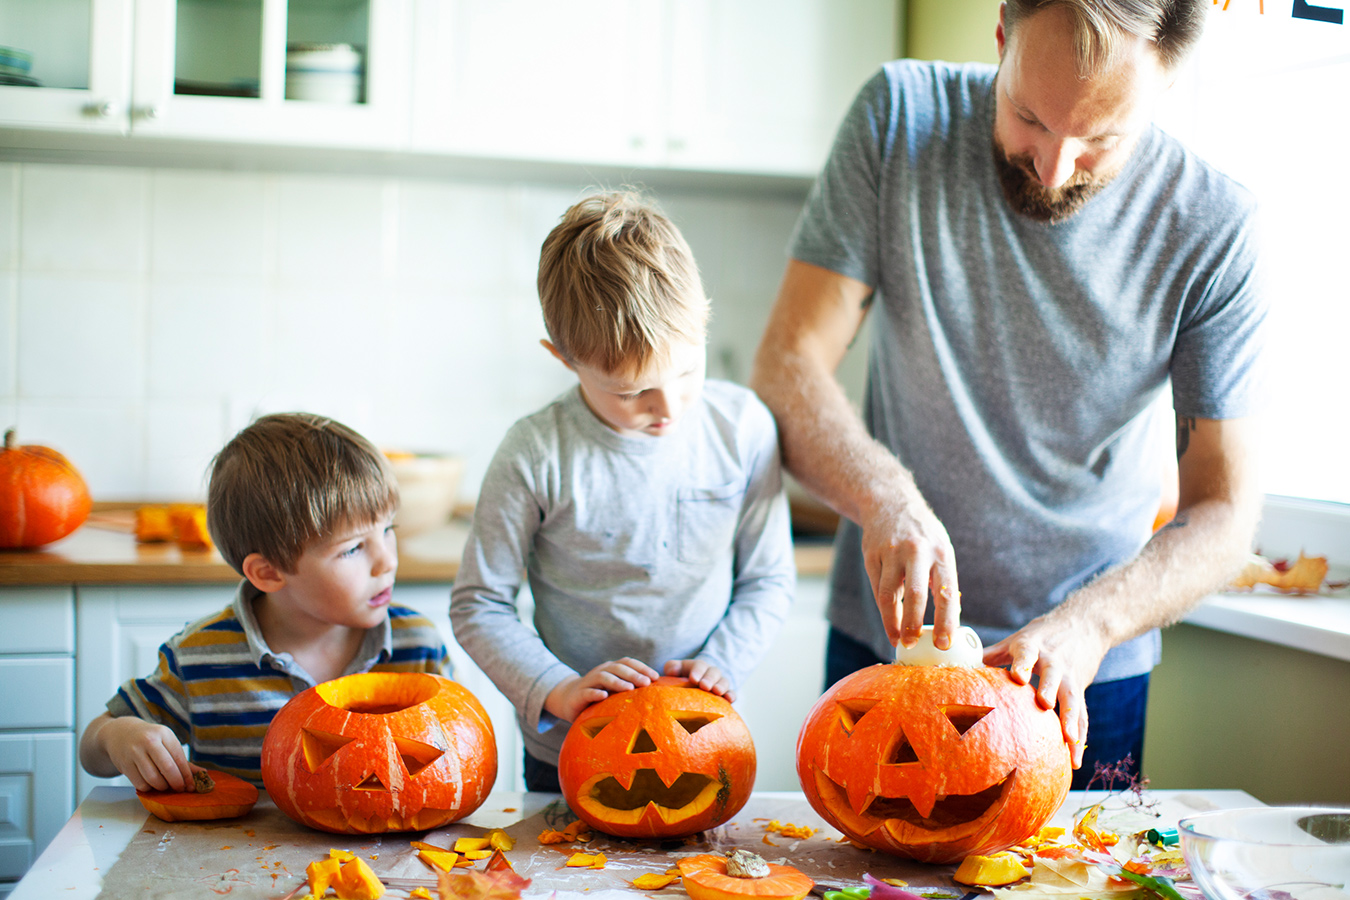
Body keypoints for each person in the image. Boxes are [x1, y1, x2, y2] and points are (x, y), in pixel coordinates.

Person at [750, 0, 1266, 789]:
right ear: (1001, 35)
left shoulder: (1215, 228)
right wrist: (885, 496)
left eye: (1100, 139)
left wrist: (1089, 626)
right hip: (888, 649)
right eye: (1029, 116)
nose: (1054, 168)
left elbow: (1225, 512)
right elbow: (788, 364)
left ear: (1164, 87)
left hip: (1085, 674)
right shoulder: (900, 119)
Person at [451, 191, 795, 793]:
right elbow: (478, 603)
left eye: (687, 372)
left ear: (703, 320)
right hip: (566, 748)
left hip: (700, 737)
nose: (667, 408)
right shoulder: (535, 453)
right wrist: (555, 689)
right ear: (563, 359)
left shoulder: (743, 429)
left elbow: (768, 579)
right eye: (632, 393)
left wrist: (726, 661)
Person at [79, 413, 450, 790]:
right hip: (234, 849)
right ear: (269, 573)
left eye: (388, 530)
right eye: (353, 549)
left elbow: (452, 757)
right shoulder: (200, 657)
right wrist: (119, 736)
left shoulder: (417, 646)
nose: (387, 560)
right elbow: (92, 750)